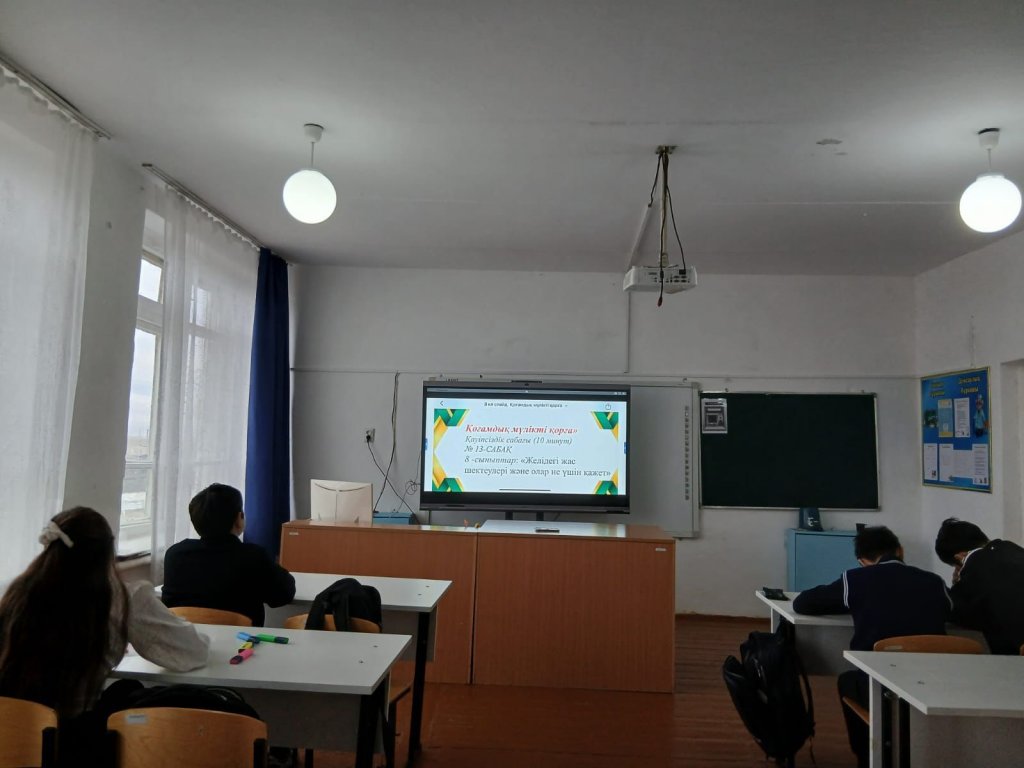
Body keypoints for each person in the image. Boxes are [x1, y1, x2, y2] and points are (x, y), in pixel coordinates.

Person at [0, 507, 209, 733]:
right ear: (108, 552)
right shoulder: (123, 597)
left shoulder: (16, 592)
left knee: (125, 688)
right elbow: (191, 653)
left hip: (11, 729)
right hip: (69, 734)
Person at [793, 526, 951, 768]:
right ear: (900, 550)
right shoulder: (934, 581)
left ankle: (867, 758)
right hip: (935, 684)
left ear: (862, 561)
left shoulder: (856, 579)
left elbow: (803, 603)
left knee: (847, 681)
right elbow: (956, 610)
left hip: (880, 686)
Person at [161, 483, 295, 626]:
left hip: (188, 637)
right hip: (242, 639)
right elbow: (283, 595)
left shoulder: (175, 555)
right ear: (239, 518)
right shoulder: (253, 556)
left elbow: (169, 602)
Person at [934, 517, 1024, 655]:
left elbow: (955, 612)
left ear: (959, 557)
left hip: (1014, 659)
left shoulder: (972, 571)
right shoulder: (1013, 549)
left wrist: (957, 583)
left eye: (955, 566)